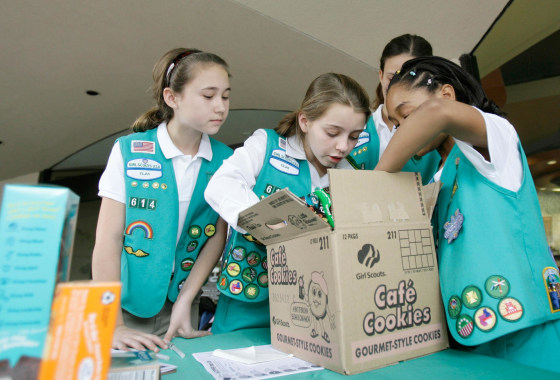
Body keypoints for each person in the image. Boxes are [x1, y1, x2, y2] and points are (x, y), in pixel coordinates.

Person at [376, 56, 560, 372]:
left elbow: (436, 114)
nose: (400, 130)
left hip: (524, 326)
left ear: (447, 94)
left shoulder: (496, 139)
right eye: (394, 124)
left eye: (405, 115)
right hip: (470, 333)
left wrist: (372, 181)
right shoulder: (438, 178)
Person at [204, 73, 371, 333]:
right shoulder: (267, 146)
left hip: (311, 311)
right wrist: (275, 225)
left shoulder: (348, 174)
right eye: (333, 133)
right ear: (304, 121)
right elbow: (221, 185)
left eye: (353, 137)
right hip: (248, 298)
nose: (342, 146)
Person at [91, 48, 233, 351]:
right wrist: (112, 325)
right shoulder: (129, 151)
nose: (220, 106)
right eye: (208, 96)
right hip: (124, 310)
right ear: (172, 98)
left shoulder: (227, 161)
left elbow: (216, 237)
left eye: (226, 96)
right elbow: (108, 240)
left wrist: (185, 301)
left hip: (185, 305)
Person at [342, 34, 439, 184]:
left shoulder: (439, 136)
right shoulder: (354, 129)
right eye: (393, 77)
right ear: (380, 76)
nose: (400, 86)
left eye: (411, 77)